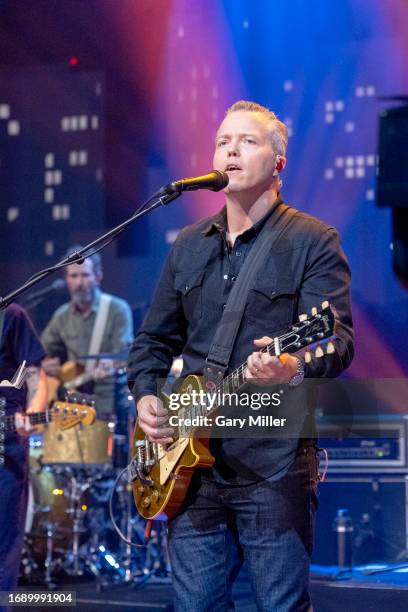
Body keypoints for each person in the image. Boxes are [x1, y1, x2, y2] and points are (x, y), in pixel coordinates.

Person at [127, 100, 354, 611]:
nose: (230, 149)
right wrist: (145, 396)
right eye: (223, 141)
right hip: (189, 466)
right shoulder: (188, 245)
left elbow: (337, 342)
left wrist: (291, 366)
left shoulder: (313, 241)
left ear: (278, 163)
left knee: (280, 605)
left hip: (271, 463)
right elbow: (152, 342)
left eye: (247, 141)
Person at [41, 248, 134, 440]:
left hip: (110, 402)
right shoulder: (61, 316)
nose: (79, 283)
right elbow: (41, 353)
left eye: (85, 275)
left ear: (98, 276)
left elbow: (126, 356)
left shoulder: (117, 309)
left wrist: (113, 365)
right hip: (73, 405)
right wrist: (45, 365)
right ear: (66, 279)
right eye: (73, 276)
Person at [0, 304, 48, 606]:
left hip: (6, 444)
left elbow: (35, 374)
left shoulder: (9, 315)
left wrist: (33, 413)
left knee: (4, 537)